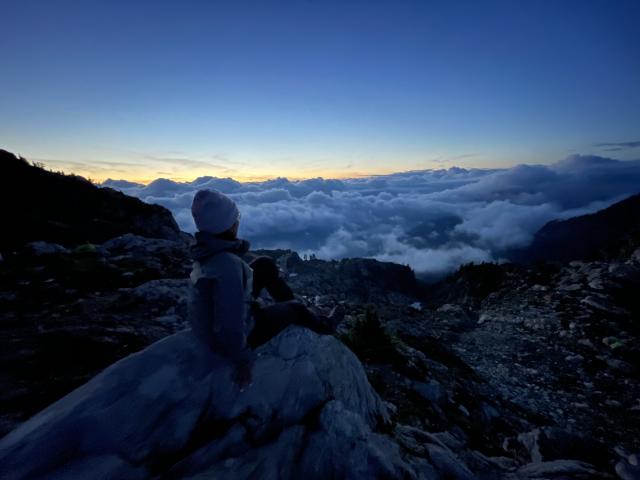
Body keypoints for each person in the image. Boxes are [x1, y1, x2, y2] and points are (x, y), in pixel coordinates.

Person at [188, 189, 344, 390]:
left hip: (217, 316)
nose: (238, 221)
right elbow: (229, 326)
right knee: (296, 308)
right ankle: (325, 325)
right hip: (239, 333)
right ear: (229, 225)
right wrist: (242, 360)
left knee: (263, 264)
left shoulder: (207, 250)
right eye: (236, 218)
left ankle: (287, 306)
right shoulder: (227, 267)